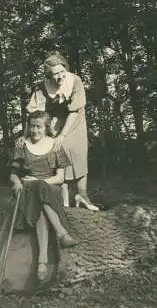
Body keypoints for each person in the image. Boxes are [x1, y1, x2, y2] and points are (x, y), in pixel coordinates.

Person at [17, 52, 99, 211]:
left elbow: (74, 111)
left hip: (75, 121)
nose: (60, 76)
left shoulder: (75, 81)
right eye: (56, 74)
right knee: (60, 154)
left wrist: (63, 135)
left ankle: (82, 194)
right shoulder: (42, 88)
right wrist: (25, 135)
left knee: (77, 152)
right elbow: (34, 114)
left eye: (62, 71)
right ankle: (65, 201)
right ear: (48, 74)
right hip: (56, 121)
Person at [10, 110, 78, 282]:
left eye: (39, 127)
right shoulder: (22, 145)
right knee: (37, 191)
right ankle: (61, 234)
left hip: (51, 189)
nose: (35, 131)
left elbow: (60, 178)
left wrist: (39, 183)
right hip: (27, 191)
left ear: (46, 128)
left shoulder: (55, 145)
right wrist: (17, 182)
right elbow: (13, 173)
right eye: (32, 126)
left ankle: (42, 262)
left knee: (40, 190)